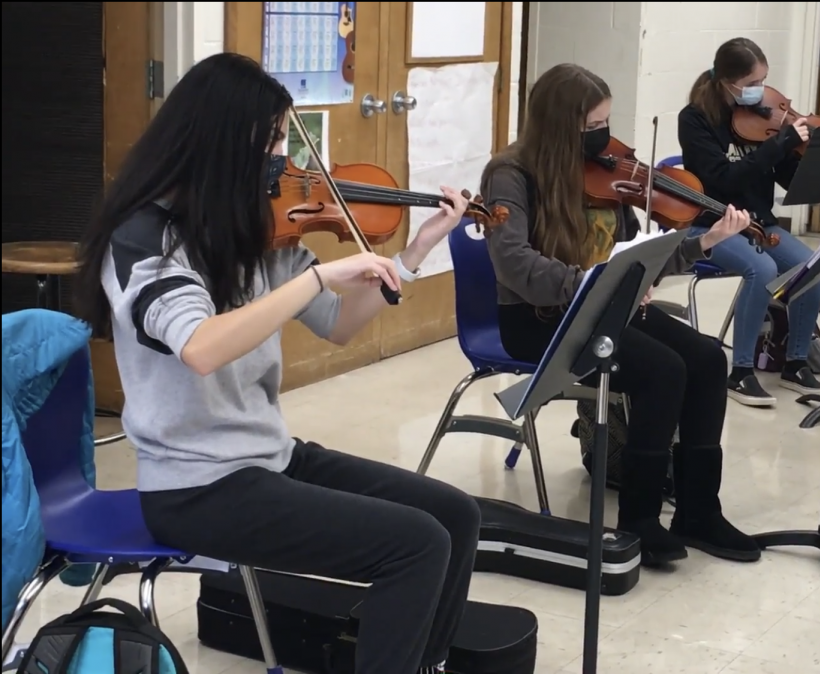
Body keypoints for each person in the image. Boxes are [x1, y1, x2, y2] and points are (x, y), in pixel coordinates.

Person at [74, 53, 478, 674]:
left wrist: (414, 251)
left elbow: (340, 326)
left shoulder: (258, 232)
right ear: (219, 142)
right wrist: (317, 277)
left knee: (455, 513)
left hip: (267, 457)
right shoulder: (144, 240)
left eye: (284, 140)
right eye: (271, 141)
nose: (282, 159)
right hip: (195, 487)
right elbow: (201, 347)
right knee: (415, 546)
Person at [481, 63, 762, 566]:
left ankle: (698, 511)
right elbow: (516, 265)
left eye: (605, 125)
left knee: (706, 360)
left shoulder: (607, 171)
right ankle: (638, 520)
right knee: (663, 371)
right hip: (540, 319)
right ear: (557, 127)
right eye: (591, 129)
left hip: (604, 303)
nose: (603, 138)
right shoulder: (510, 174)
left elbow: (636, 251)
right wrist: (596, 284)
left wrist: (703, 242)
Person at [678, 37, 820, 408]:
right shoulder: (696, 120)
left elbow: (783, 179)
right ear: (727, 82)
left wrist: (807, 159)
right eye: (751, 85)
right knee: (760, 269)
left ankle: (795, 363)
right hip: (714, 224)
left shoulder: (762, 121)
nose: (759, 93)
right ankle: (741, 372)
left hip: (761, 224)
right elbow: (722, 181)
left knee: (812, 267)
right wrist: (778, 146)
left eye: (763, 81)